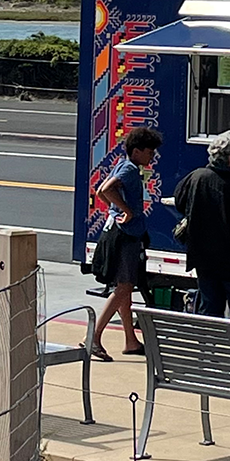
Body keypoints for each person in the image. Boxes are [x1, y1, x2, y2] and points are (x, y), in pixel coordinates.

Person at [174, 130, 230, 319]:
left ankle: (209, 347)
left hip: (203, 258)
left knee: (209, 309)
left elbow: (179, 202)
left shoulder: (196, 177)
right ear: (229, 156)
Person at [91, 126, 163, 361]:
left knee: (126, 288)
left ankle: (130, 340)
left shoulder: (125, 165)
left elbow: (102, 192)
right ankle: (93, 338)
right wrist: (128, 211)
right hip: (126, 236)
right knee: (123, 287)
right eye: (149, 151)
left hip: (121, 232)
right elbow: (106, 190)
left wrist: (118, 209)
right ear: (137, 150)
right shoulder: (131, 169)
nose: (152, 155)